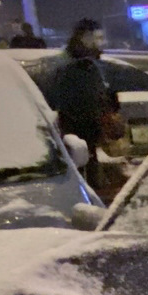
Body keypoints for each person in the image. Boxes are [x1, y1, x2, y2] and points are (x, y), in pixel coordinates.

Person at [42, 18, 123, 192]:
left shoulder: (94, 61)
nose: (100, 41)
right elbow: (58, 94)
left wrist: (111, 107)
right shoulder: (68, 63)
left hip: (92, 122)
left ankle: (93, 194)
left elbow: (104, 86)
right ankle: (84, 194)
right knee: (79, 163)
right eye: (95, 37)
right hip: (74, 123)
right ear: (83, 37)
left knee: (91, 160)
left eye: (101, 37)